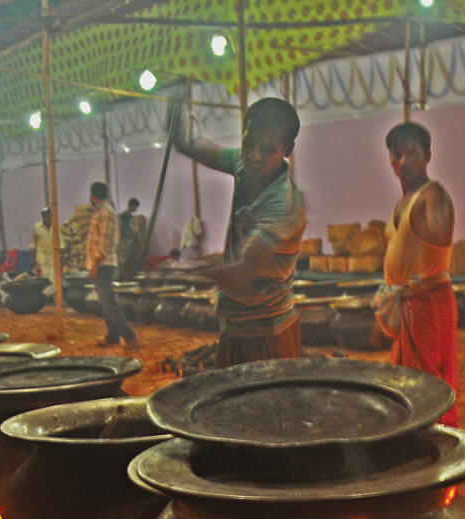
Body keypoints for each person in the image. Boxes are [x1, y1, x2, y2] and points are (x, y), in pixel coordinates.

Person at [170, 95, 306, 367]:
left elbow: (242, 273)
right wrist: (176, 129)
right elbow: (193, 146)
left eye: (267, 149)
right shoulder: (242, 164)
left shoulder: (285, 205)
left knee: (266, 407)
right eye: (248, 144)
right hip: (235, 323)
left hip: (268, 333)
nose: (254, 156)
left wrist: (178, 271)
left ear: (287, 149)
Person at [373, 121, 459, 426]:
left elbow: (436, 260)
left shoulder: (434, 197)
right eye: (398, 154)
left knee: (428, 386)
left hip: (428, 305)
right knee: (406, 384)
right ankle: (414, 440)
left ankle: (435, 444)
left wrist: (415, 282)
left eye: (412, 153)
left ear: (428, 156)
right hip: (408, 306)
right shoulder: (403, 201)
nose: (404, 161)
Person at [86, 181, 137, 349]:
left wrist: (95, 265)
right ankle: (113, 336)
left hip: (103, 265)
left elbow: (104, 242)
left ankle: (128, 334)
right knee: (106, 302)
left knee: (108, 302)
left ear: (93, 196)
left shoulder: (105, 213)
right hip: (102, 264)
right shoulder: (104, 211)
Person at [118, 197, 148, 271]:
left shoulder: (132, 217)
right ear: (132, 206)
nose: (136, 209)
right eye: (136, 207)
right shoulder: (123, 216)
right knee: (124, 259)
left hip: (131, 240)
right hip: (125, 240)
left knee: (130, 259)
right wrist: (120, 241)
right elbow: (119, 229)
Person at [32, 207, 56, 278]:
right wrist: (33, 259)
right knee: (42, 280)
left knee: (53, 280)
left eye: (50, 216)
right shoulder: (37, 227)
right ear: (43, 217)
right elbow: (33, 245)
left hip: (53, 261)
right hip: (41, 261)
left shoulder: (56, 227)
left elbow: (61, 245)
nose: (49, 218)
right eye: (46, 216)